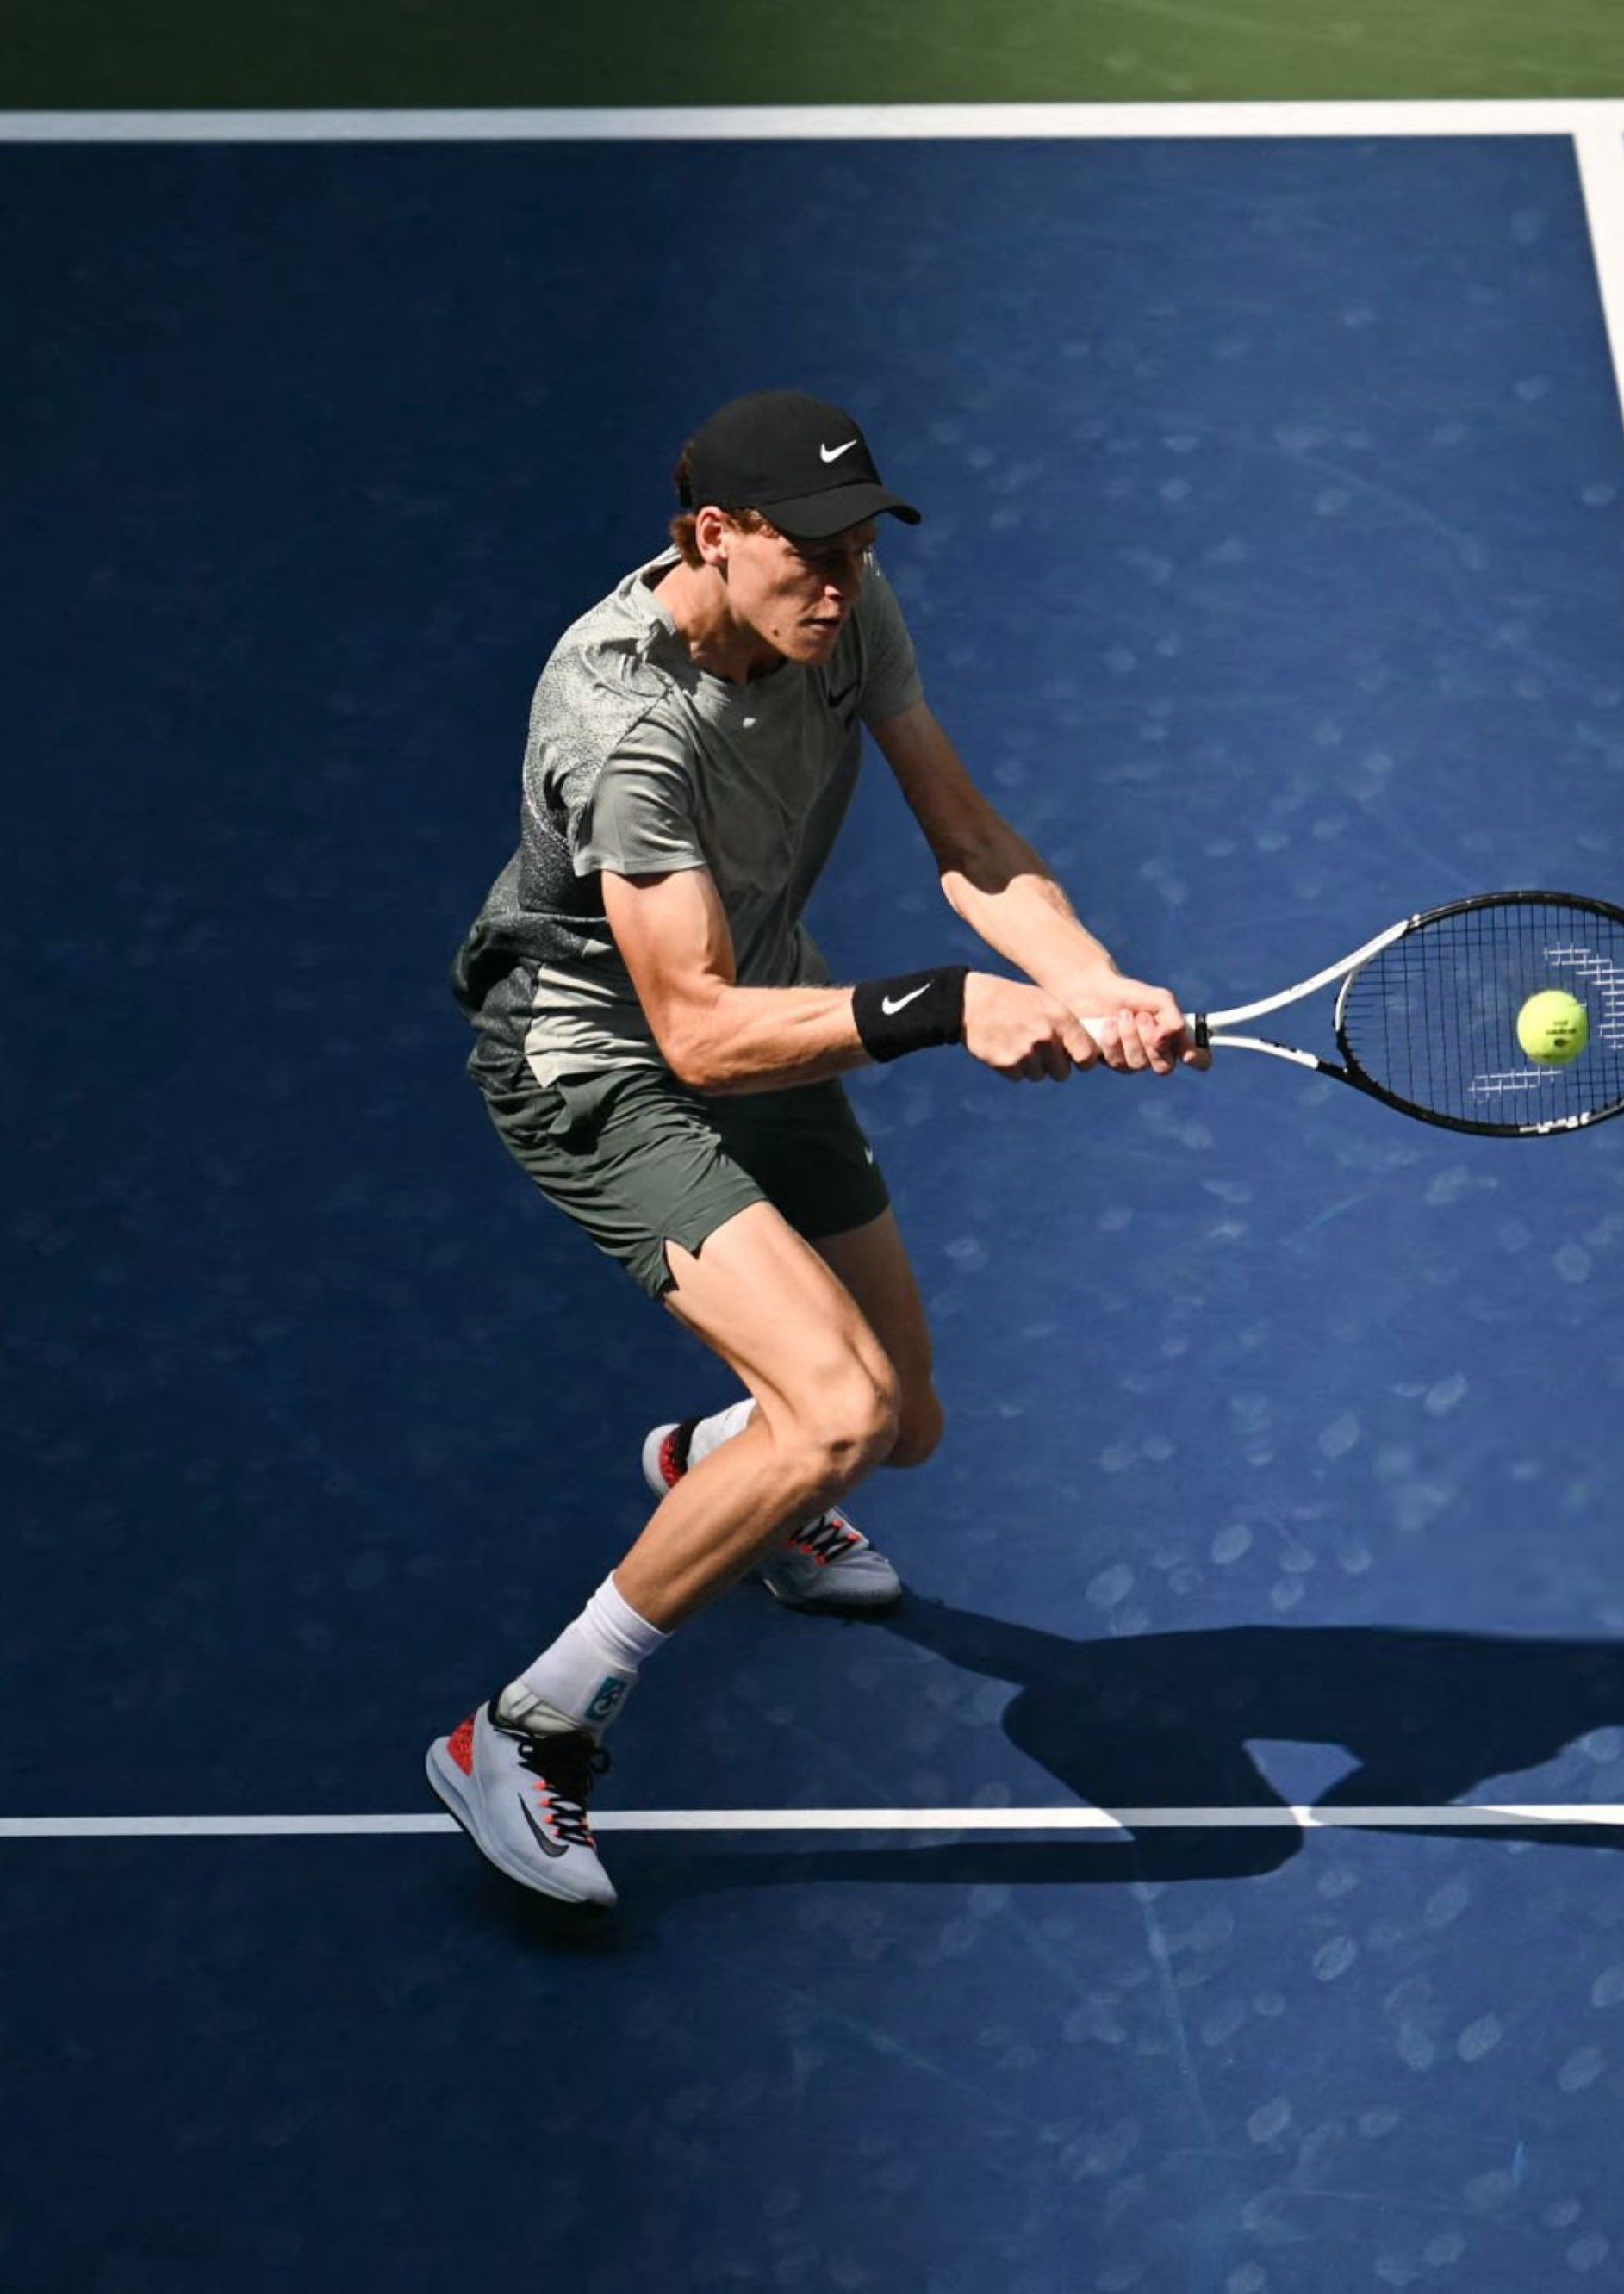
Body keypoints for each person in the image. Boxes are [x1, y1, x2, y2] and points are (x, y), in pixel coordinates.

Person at [431, 389, 1202, 1908]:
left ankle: (730, 1458)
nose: (841, 582)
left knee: (899, 1421)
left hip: (766, 1002)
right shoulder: (619, 724)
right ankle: (523, 1734)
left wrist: (1086, 975)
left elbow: (970, 840)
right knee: (840, 1407)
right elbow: (696, 1035)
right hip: (605, 1059)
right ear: (713, 538)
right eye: (809, 551)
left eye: (860, 543)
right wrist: (946, 1008)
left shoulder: (840, 602)